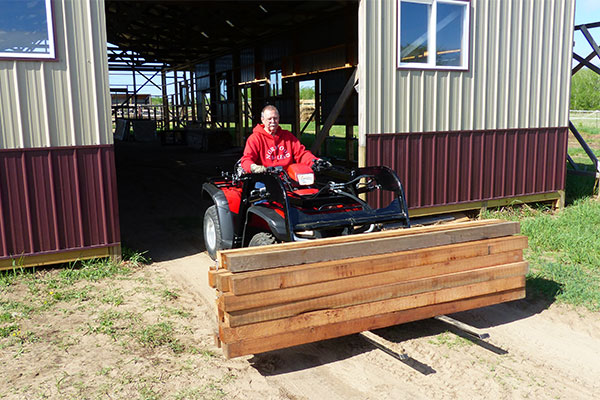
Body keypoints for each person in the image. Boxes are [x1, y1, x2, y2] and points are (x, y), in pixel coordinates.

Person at [240, 105, 318, 173]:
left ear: (279, 118)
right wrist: (254, 168)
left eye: (275, 118)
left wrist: (316, 162)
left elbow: (301, 154)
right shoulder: (255, 138)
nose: (273, 121)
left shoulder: (288, 136)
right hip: (265, 176)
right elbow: (246, 159)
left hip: (287, 176)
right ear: (262, 120)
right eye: (269, 119)